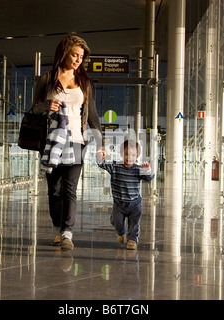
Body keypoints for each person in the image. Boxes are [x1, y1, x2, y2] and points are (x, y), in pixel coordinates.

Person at [32, 35, 105, 251]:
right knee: (54, 189)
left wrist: (100, 143)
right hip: (52, 141)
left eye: (81, 57)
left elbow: (92, 116)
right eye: (74, 54)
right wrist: (47, 105)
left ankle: (67, 233)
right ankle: (58, 227)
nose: (78, 60)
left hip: (76, 140)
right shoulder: (46, 79)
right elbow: (33, 109)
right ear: (64, 53)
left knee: (70, 189)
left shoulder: (85, 83)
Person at [97, 140, 155, 250]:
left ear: (137, 156)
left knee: (134, 223)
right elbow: (102, 164)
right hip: (119, 203)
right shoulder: (115, 166)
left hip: (135, 203)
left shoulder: (138, 169)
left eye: (133, 155)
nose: (129, 157)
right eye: (127, 154)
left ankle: (132, 240)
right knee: (117, 222)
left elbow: (150, 178)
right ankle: (121, 232)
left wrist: (148, 170)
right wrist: (99, 157)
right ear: (121, 154)